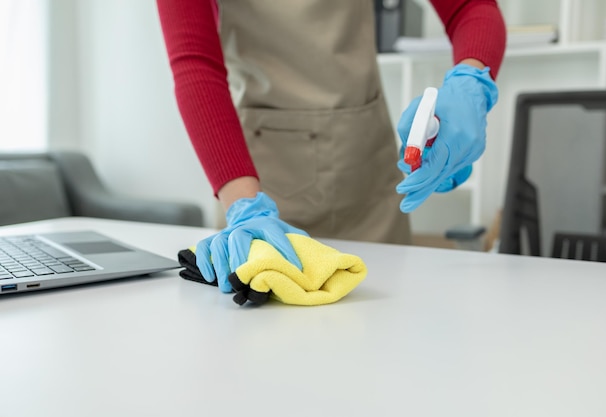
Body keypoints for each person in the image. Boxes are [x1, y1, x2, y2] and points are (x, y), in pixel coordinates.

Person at [156, 0, 506, 292]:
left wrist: (470, 83)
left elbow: (470, 8)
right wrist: (244, 205)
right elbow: (195, 63)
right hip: (259, 184)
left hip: (368, 175)